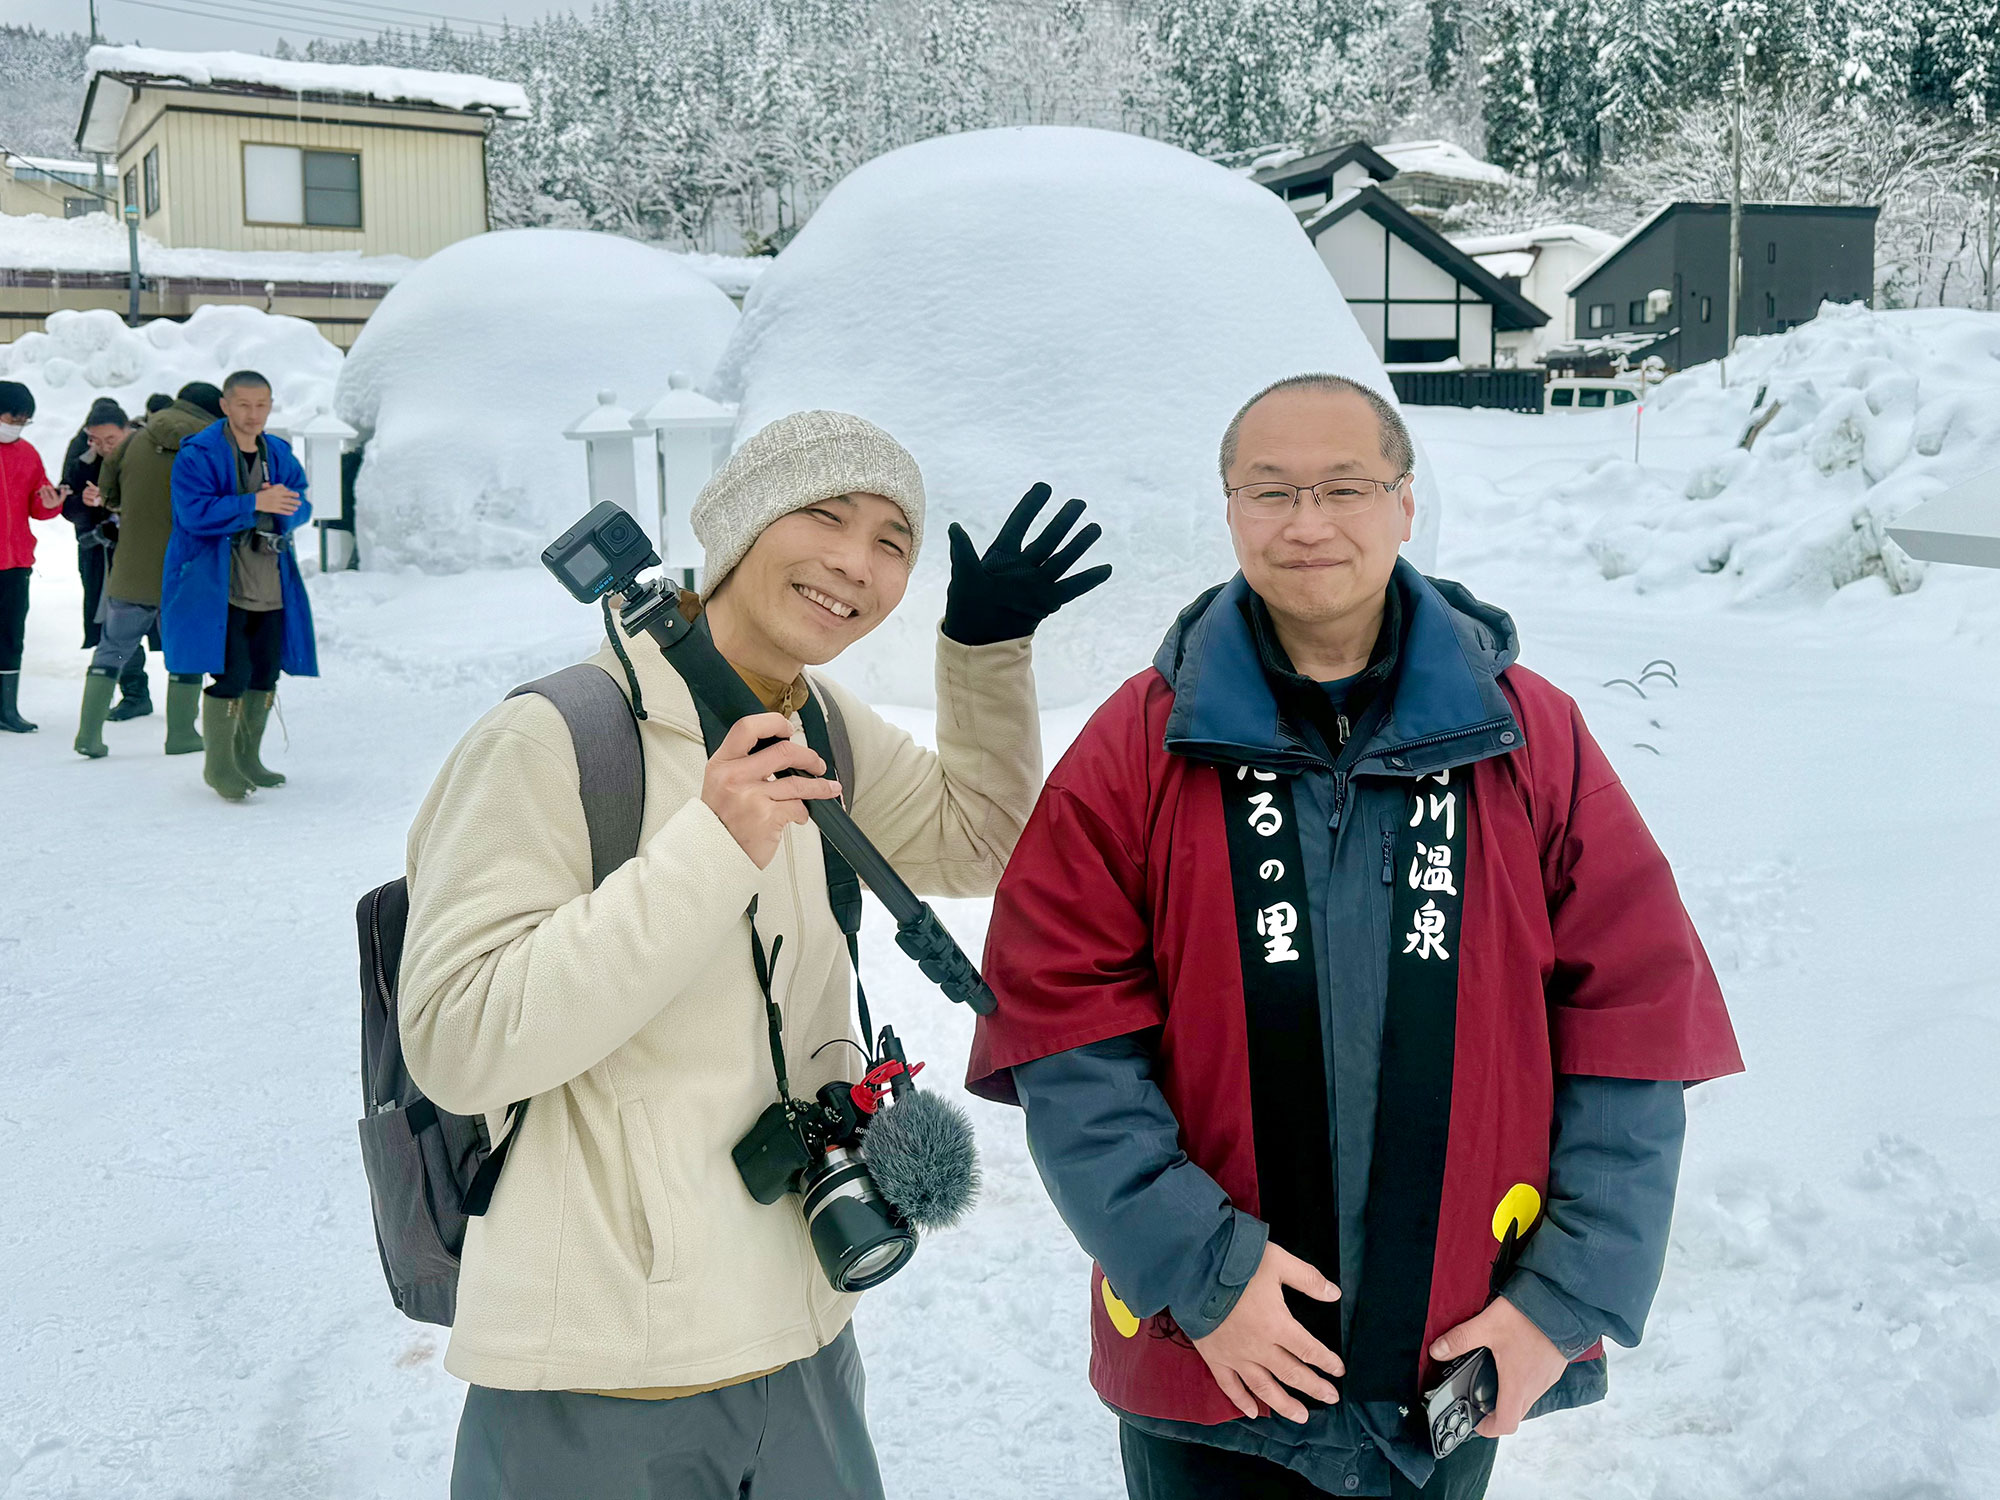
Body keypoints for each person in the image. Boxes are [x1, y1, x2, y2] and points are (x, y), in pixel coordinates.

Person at [967, 374, 1745, 1500]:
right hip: (1211, 1361)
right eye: (1270, 491)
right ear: (1228, 510)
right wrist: (1202, 1271)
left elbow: (1630, 1025)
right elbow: (1060, 1033)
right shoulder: (1139, 745)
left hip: (1451, 1357)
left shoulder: (1528, 740)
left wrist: (1558, 1302)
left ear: (1403, 504)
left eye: (1343, 486)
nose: (1308, 521)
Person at [398, 409, 1110, 1500]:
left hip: (802, 1342)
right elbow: (459, 1043)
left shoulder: (819, 723)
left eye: (890, 541)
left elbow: (988, 841)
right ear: (736, 527)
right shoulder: (555, 739)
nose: (853, 562)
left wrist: (982, 649)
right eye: (823, 515)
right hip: (598, 1377)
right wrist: (710, 848)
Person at [159, 369, 316, 800]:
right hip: (215, 582)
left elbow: (301, 504)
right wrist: (255, 503)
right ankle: (219, 766)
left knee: (265, 670)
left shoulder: (278, 451)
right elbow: (192, 513)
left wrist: (284, 507)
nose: (253, 414)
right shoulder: (198, 454)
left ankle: (249, 758)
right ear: (225, 405)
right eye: (244, 405)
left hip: (268, 578)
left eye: (262, 405)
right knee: (232, 672)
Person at [76, 381, 224, 761]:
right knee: (187, 652)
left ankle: (89, 735)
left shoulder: (133, 441)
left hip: (131, 567)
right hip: (188, 568)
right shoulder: (211, 442)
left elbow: (108, 496)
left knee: (112, 650)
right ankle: (181, 735)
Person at [61, 397, 151, 720]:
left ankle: (192, 696)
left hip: (147, 551)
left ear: (128, 430)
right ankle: (135, 693)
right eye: (95, 440)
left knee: (159, 621)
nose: (102, 447)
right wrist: (84, 504)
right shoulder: (83, 454)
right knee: (111, 623)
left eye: (110, 440)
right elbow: (67, 504)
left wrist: (112, 503)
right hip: (100, 553)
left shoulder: (150, 450)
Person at [0, 379, 71, 734]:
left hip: (15, 563)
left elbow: (36, 506)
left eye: (23, 422)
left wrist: (49, 504)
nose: (16, 427)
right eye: (13, 418)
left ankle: (6, 708)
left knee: (12, 636)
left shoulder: (27, 454)